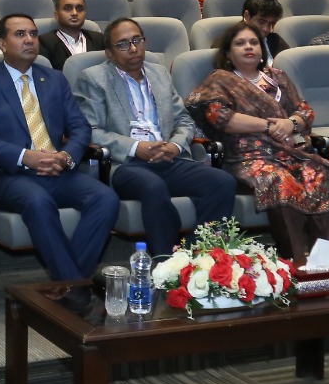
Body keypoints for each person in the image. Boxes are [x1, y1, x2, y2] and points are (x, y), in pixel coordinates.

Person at [187, 22, 329, 268]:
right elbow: (219, 116)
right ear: (228, 53)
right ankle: (293, 263)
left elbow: (305, 110)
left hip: (291, 151)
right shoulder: (220, 80)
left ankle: (326, 262)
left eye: (253, 42)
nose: (248, 47)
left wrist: (291, 123)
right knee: (281, 182)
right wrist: (268, 126)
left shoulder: (277, 77)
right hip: (248, 157)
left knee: (327, 177)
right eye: (240, 43)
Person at [0, 14, 117, 283]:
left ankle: (69, 283)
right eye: (20, 34)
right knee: (39, 201)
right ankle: (75, 287)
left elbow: (80, 127)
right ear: (2, 44)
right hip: (11, 175)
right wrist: (24, 157)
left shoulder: (54, 79)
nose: (29, 40)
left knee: (106, 199)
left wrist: (67, 156)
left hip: (59, 170)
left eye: (33, 34)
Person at [78, 19, 237, 254]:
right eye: (123, 44)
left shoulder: (159, 73)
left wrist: (174, 145)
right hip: (126, 164)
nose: (133, 48)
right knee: (153, 186)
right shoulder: (93, 78)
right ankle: (163, 259)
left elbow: (184, 120)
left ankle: (199, 256)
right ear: (109, 53)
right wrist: (136, 147)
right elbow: (90, 130)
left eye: (137, 40)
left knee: (223, 182)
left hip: (168, 157)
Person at [38, 0, 104, 70]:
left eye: (79, 9)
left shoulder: (99, 39)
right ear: (56, 15)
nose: (74, 13)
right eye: (68, 8)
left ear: (85, 14)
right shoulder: (44, 42)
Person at [240, 0, 289, 66]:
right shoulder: (230, 43)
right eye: (261, 22)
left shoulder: (276, 40)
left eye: (270, 24)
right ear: (247, 16)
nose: (266, 29)